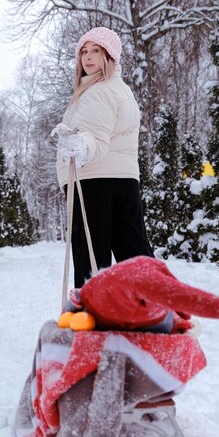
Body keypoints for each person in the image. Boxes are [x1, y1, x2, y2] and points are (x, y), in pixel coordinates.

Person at [53, 27, 154, 288]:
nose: (87, 57)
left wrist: (80, 145)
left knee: (91, 261)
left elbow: (95, 136)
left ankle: (91, 316)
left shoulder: (97, 91)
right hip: (125, 180)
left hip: (93, 181)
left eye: (95, 51)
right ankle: (159, 304)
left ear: (109, 56)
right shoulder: (122, 90)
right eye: (84, 52)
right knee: (133, 251)